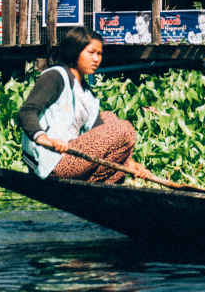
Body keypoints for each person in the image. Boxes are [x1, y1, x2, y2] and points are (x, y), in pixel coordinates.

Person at [16, 26, 153, 183]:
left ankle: (108, 178)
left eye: (99, 54)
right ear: (74, 52)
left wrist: (132, 165)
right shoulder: (55, 76)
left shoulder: (86, 93)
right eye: (91, 52)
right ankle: (100, 181)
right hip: (50, 160)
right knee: (124, 128)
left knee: (109, 118)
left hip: (72, 155)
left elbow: (99, 131)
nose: (96, 59)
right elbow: (26, 112)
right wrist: (43, 138)